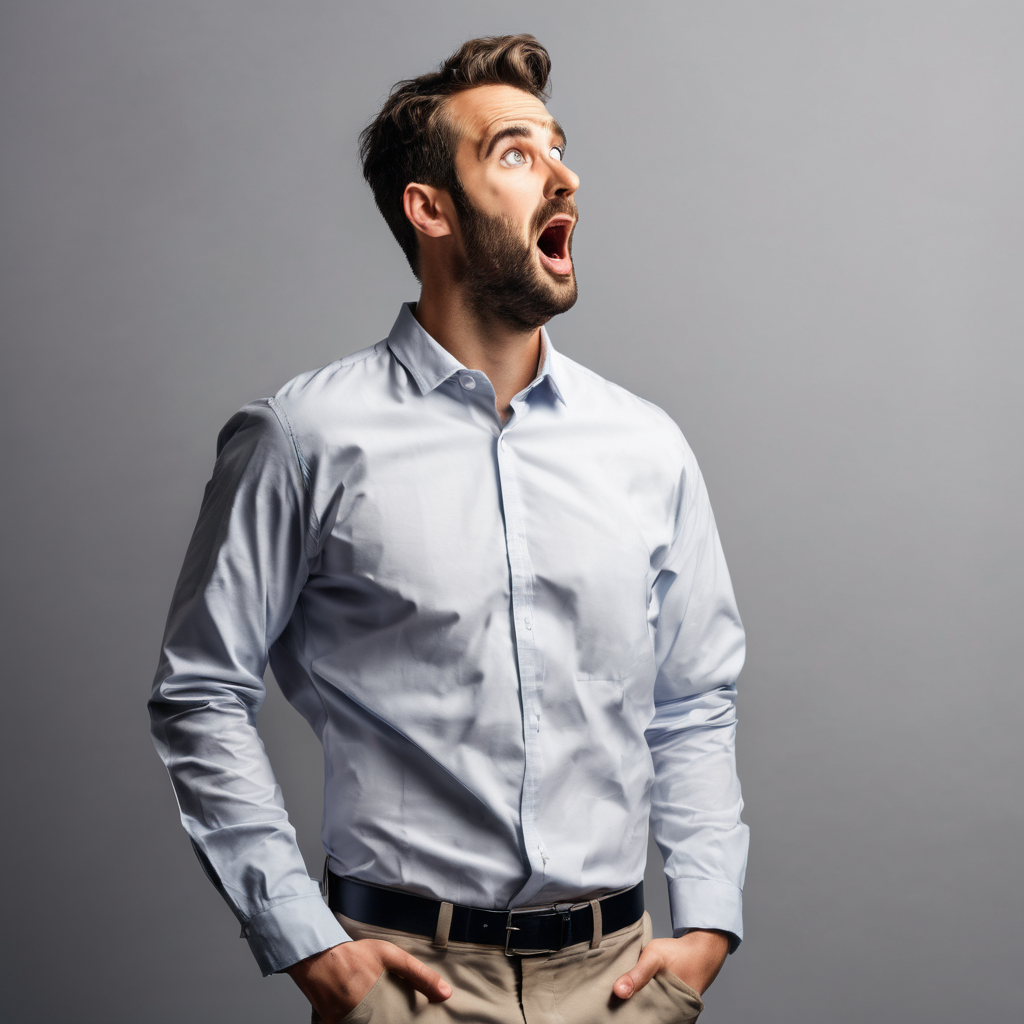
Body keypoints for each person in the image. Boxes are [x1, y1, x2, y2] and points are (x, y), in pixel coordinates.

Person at [149, 34, 748, 1024]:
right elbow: (201, 694)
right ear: (428, 208)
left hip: (622, 987)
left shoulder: (647, 445)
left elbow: (692, 703)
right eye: (515, 153)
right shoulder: (302, 436)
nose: (565, 174)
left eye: (557, 147)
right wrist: (305, 941)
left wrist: (706, 931)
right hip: (407, 986)